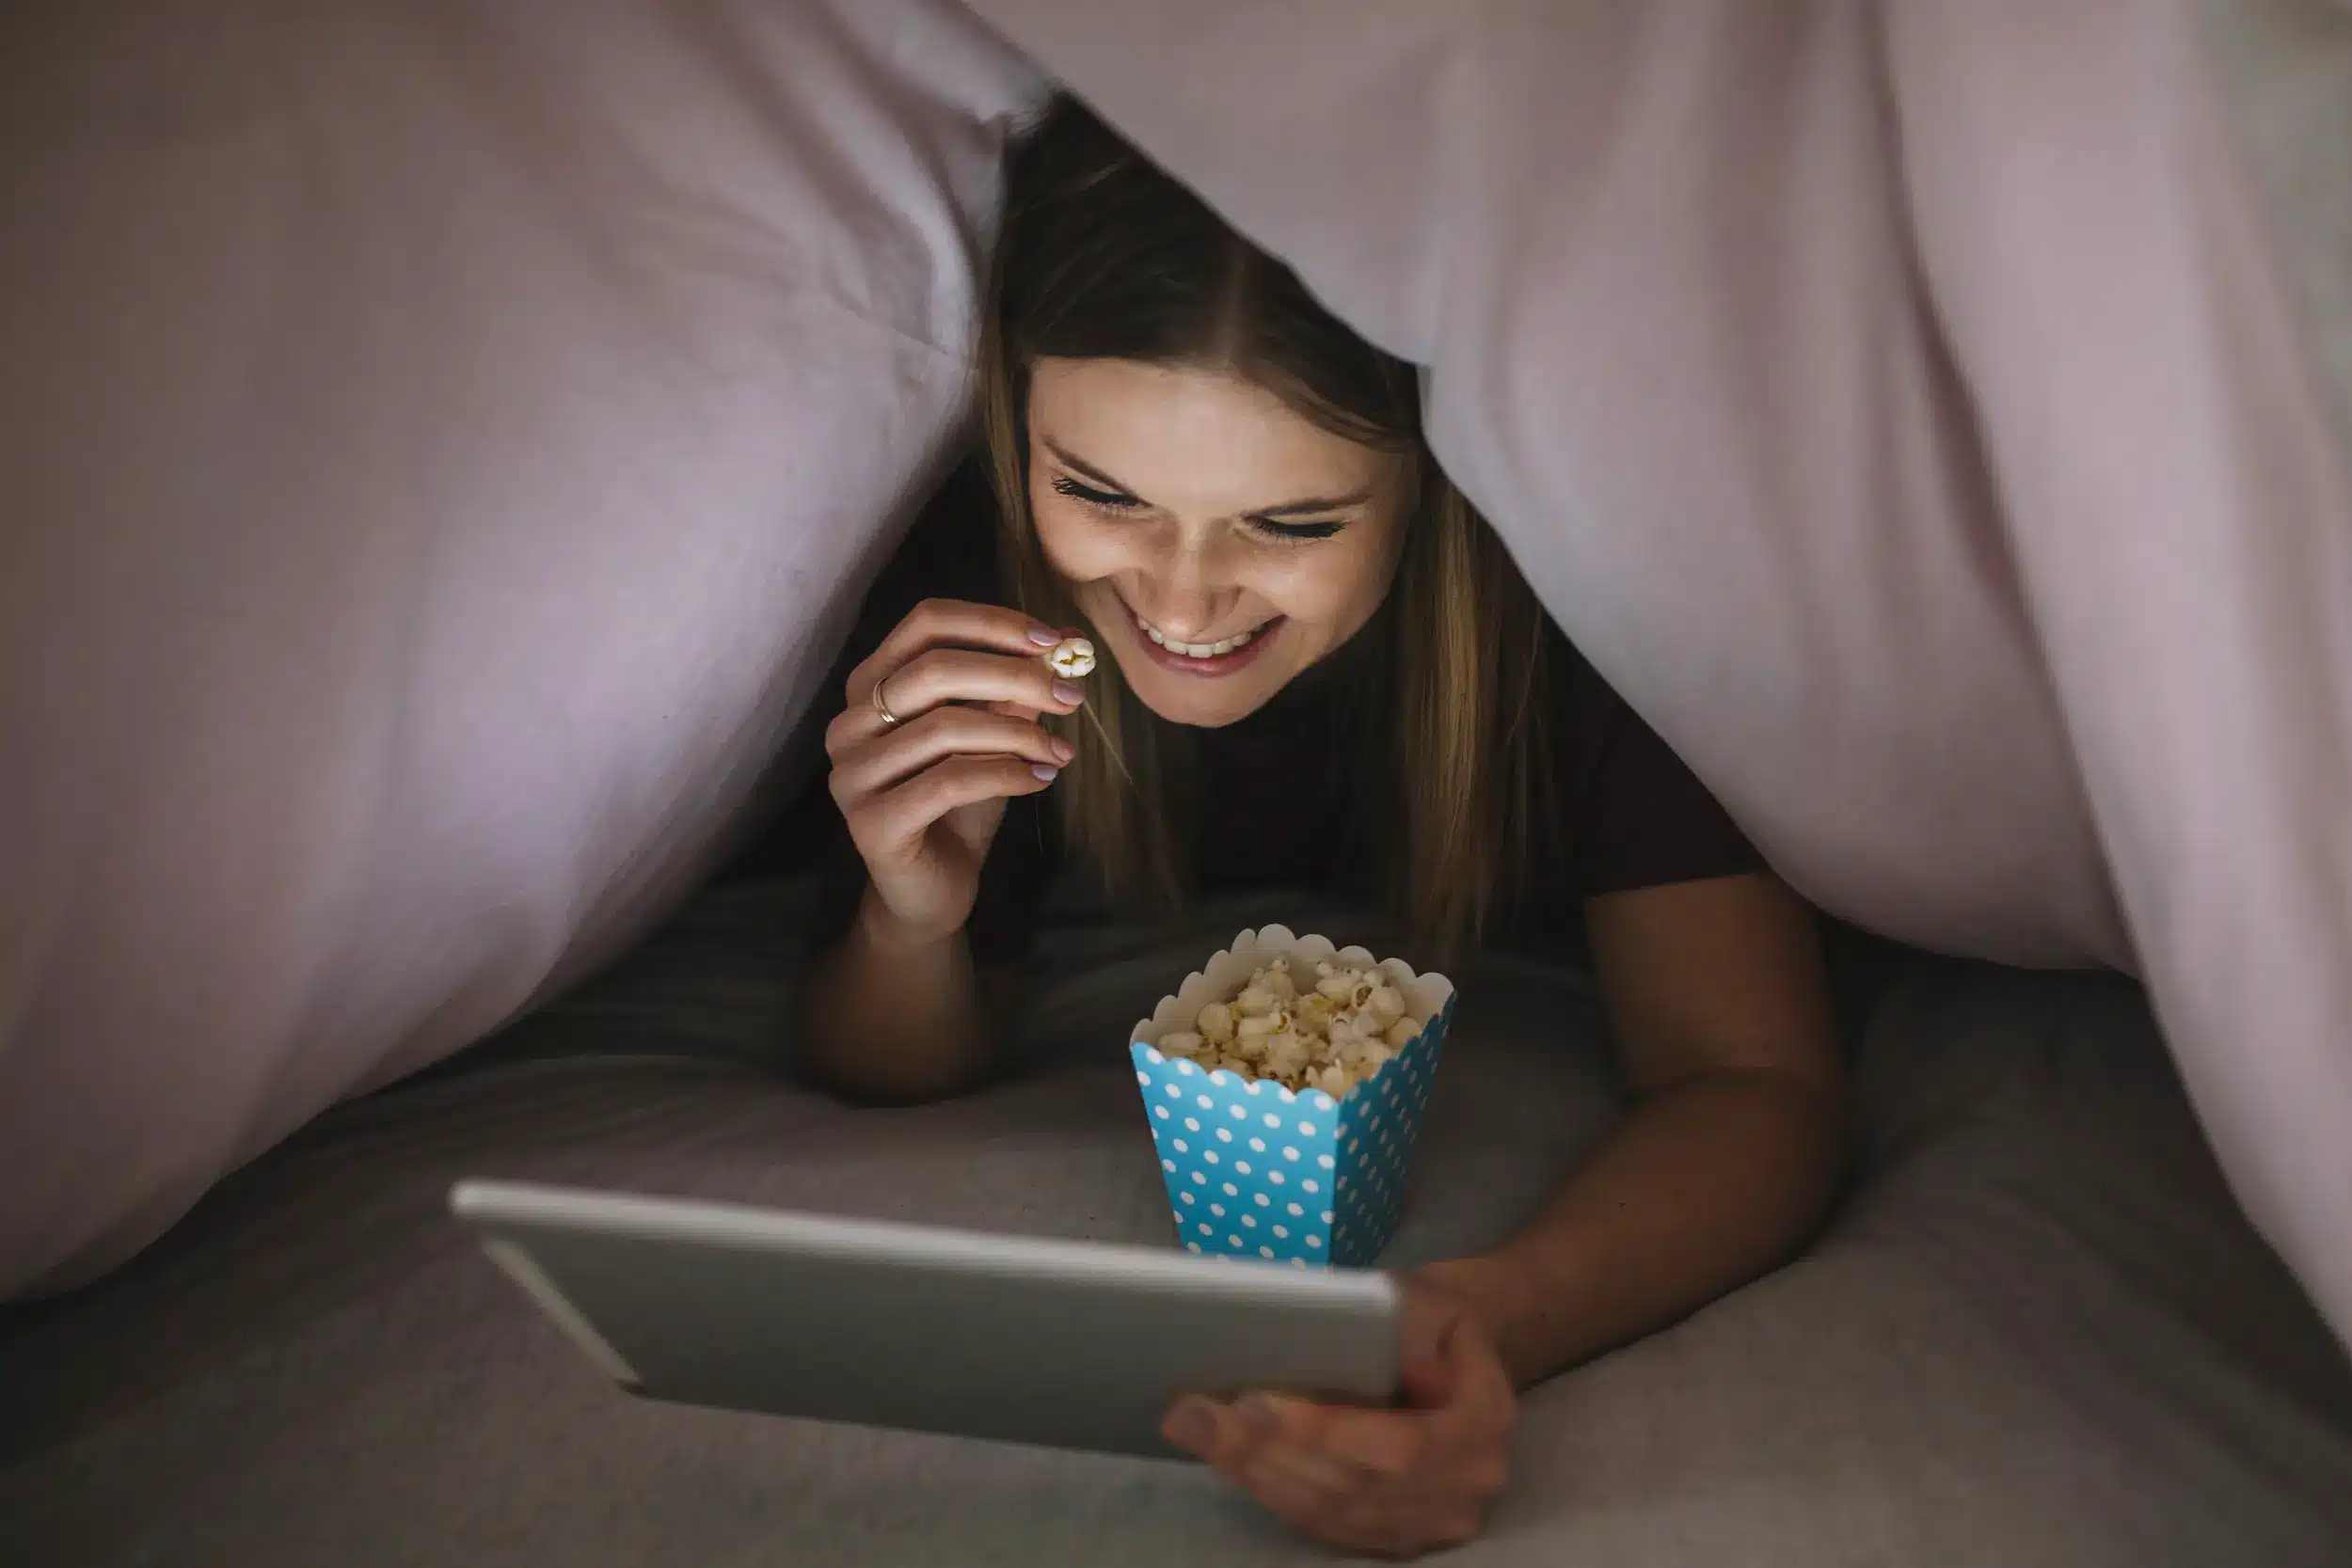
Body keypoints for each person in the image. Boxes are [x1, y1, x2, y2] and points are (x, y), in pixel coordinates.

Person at [797, 99, 1847, 1559]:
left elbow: (1755, 1082)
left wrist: (1473, 1321)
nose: (1176, 602)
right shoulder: (991, 597)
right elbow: (881, 1068)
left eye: (1290, 526)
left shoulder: (1588, 603)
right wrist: (909, 917)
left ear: (1433, 473)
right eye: (1100, 493)